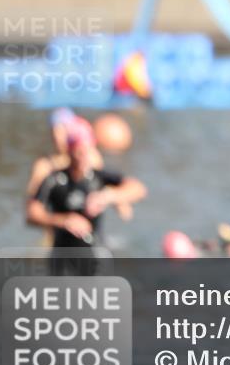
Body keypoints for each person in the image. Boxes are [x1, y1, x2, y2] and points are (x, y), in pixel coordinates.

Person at [26, 116, 147, 274]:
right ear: (69, 152)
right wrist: (63, 220)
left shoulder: (98, 177)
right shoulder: (54, 179)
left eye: (87, 151)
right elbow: (31, 213)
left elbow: (137, 188)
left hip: (93, 253)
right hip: (62, 255)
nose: (84, 158)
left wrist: (109, 196)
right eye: (79, 152)